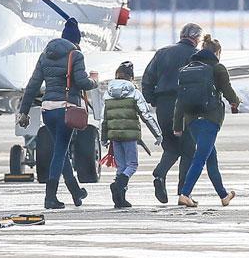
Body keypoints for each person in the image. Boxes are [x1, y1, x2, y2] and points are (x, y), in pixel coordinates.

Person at [17, 17, 98, 209]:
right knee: (60, 152)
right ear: (76, 40)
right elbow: (83, 82)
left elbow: (33, 85)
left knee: (60, 151)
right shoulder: (75, 55)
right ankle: (50, 197)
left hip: (48, 109)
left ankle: (75, 191)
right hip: (66, 109)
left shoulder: (45, 55)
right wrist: (94, 80)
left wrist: (24, 112)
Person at [173, 34, 240, 207]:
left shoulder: (188, 68)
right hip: (210, 119)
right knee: (200, 158)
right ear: (217, 52)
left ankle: (223, 195)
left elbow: (180, 100)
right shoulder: (217, 68)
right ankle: (185, 194)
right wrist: (235, 101)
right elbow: (227, 89)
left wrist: (177, 125)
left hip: (192, 121)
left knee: (211, 158)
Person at [142, 23, 203, 204]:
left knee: (171, 146)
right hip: (185, 106)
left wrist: (153, 99)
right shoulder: (196, 56)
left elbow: (147, 79)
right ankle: (184, 192)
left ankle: (160, 174)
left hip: (163, 105)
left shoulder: (162, 53)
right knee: (189, 150)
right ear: (196, 38)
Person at [101, 61, 162, 208]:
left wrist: (103, 138)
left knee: (121, 166)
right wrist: (158, 133)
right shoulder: (134, 93)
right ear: (131, 77)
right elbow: (146, 115)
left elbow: (104, 119)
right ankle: (117, 186)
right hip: (130, 136)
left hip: (114, 136)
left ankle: (120, 199)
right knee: (132, 165)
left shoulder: (107, 94)